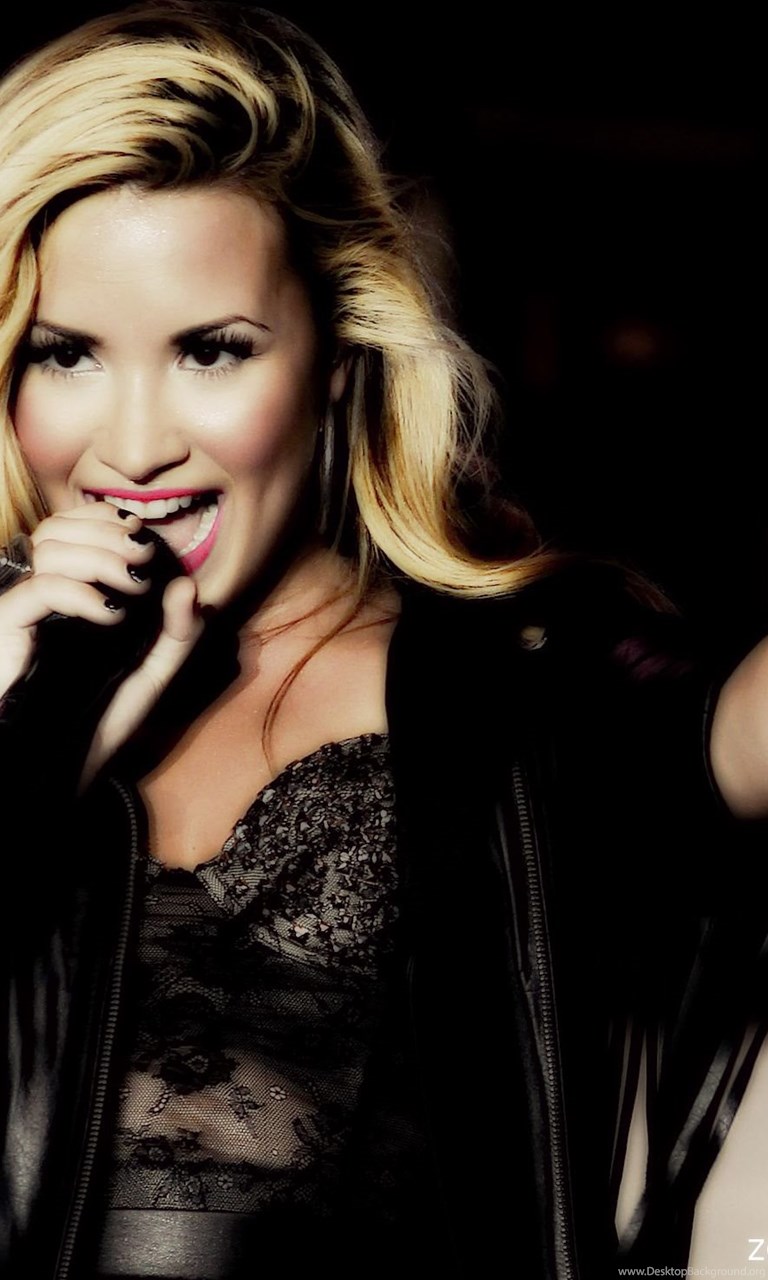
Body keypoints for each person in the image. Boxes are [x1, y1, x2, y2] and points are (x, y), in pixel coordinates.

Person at [0, 3, 766, 1277]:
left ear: (338, 357)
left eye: (213, 351)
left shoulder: (516, 688)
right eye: (66, 354)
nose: (134, 446)